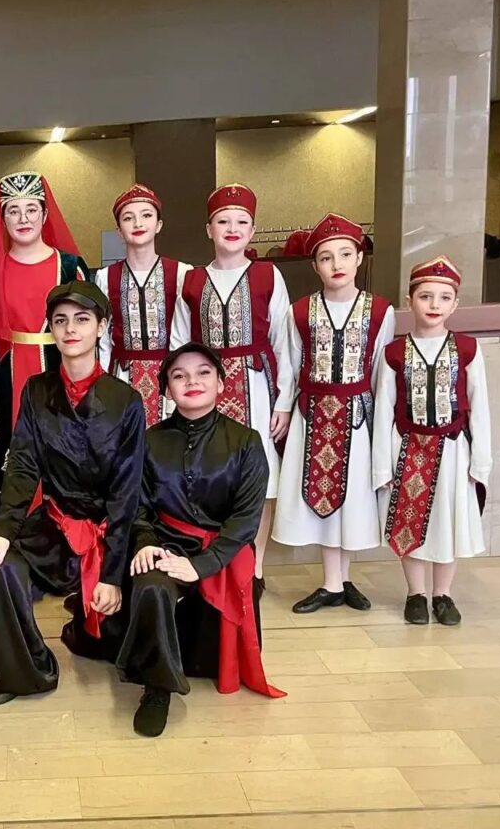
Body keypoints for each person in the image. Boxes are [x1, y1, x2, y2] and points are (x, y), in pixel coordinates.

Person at [0, 280, 144, 705]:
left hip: (109, 533)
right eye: (61, 320)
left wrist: (111, 574)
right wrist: (1, 530)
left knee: (113, 647)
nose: (70, 329)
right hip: (55, 524)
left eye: (82, 320)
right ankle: (26, 672)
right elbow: (23, 465)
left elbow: (127, 493)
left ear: (101, 327)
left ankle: (91, 624)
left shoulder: (126, 401)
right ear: (50, 328)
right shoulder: (36, 390)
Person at [110, 343, 284, 737]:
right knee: (151, 585)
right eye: (179, 375)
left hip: (222, 550)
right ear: (166, 390)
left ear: (221, 383)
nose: (192, 381)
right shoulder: (148, 441)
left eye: (204, 372)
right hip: (164, 544)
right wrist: (146, 542)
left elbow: (245, 519)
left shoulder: (246, 441)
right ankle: (157, 688)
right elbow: (136, 505)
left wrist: (202, 563)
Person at [272, 213, 395, 613]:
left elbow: (380, 370)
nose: (336, 264)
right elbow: (290, 365)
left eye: (345, 254)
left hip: (358, 416)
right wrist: (284, 407)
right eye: (326, 257)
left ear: (360, 258)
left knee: (353, 496)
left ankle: (342, 580)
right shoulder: (299, 311)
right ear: (315, 266)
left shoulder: (380, 311)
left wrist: (382, 423)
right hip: (312, 415)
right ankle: (331, 582)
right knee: (320, 497)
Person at [172, 184, 293, 584]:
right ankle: (212, 561)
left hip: (256, 387)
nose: (232, 228)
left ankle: (254, 566)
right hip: (205, 390)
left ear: (253, 230)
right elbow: (179, 342)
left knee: (260, 473)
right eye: (223, 221)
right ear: (209, 229)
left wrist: (284, 401)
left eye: (241, 221)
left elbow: (283, 341)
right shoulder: (192, 280)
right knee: (209, 473)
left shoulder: (267, 275)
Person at [373, 256, 491, 626]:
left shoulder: (467, 349)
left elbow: (480, 407)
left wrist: (480, 461)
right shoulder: (394, 353)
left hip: (453, 449)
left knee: (447, 522)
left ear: (455, 304)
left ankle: (443, 594)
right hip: (408, 450)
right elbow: (384, 409)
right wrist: (382, 464)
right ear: (410, 301)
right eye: (425, 296)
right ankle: (415, 593)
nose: (434, 305)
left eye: (444, 297)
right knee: (409, 522)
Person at [0, 171, 89, 477]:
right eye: (13, 210)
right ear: (3, 219)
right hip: (7, 372)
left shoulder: (70, 266)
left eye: (31, 209)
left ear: (45, 215)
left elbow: (90, 331)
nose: (23, 218)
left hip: (60, 369)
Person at [95, 184, 191, 425]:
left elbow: (186, 337)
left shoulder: (181, 273)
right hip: (122, 376)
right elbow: (103, 341)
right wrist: (103, 385)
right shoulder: (105, 277)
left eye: (146, 215)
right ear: (119, 230)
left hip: (168, 381)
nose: (138, 223)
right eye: (128, 218)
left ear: (159, 224)